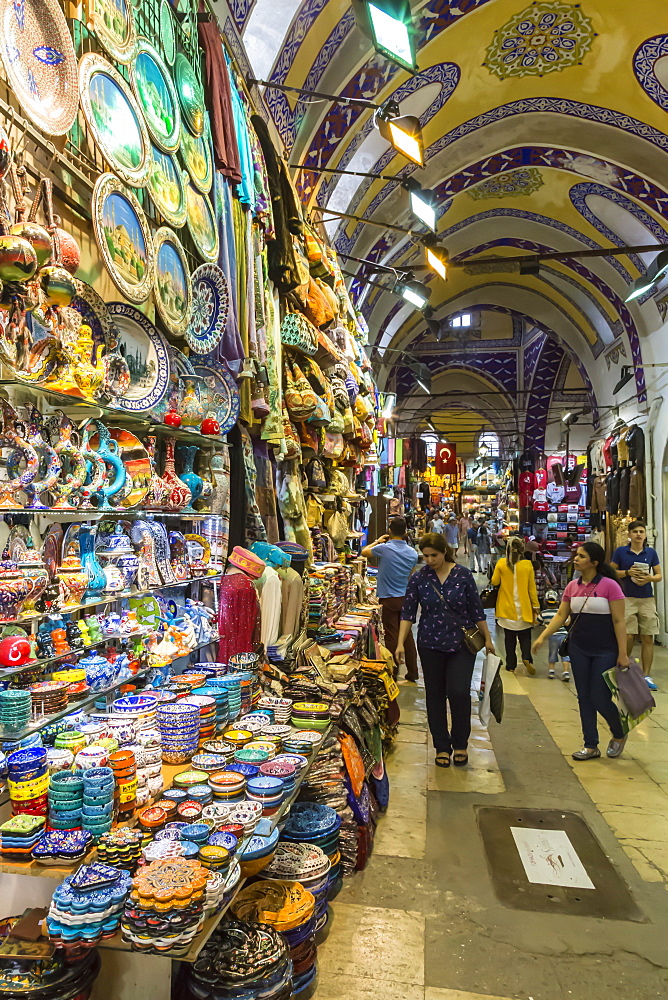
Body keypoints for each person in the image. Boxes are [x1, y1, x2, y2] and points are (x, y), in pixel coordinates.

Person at [395, 532, 495, 768]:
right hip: (430, 643)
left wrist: (488, 639)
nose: (429, 560)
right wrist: (400, 643)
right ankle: (442, 746)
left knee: (459, 692)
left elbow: (476, 610)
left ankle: (460, 742)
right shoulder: (419, 578)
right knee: (435, 695)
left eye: (434, 555)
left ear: (444, 552)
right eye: (426, 556)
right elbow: (408, 613)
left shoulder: (462, 575)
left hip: (461, 643)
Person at [532, 542, 628, 761]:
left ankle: (619, 731)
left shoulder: (610, 586)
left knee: (599, 696)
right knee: (583, 697)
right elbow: (560, 616)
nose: (575, 559)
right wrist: (543, 636)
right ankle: (590, 744)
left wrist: (622, 653)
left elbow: (619, 621)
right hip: (578, 649)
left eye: (581, 556)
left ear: (594, 562)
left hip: (605, 650)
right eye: (576, 555)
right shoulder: (572, 587)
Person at [362, 518, 419, 682]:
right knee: (407, 636)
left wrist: (377, 541)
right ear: (406, 532)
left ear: (389, 530)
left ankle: (392, 672)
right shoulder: (412, 553)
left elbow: (364, 552)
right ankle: (413, 672)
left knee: (391, 636)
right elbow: (411, 575)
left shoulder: (384, 548)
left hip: (388, 598)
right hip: (406, 597)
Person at [611, 521, 662, 690]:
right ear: (629, 535)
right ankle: (625, 669)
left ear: (645, 534)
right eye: (635, 532)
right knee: (628, 635)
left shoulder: (651, 553)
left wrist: (649, 578)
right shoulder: (620, 552)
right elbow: (611, 573)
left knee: (648, 636)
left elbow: (659, 575)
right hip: (626, 598)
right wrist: (627, 573)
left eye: (641, 531)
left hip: (647, 598)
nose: (639, 534)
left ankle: (646, 675)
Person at [492, 536, 540, 675]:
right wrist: (536, 607)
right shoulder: (527, 565)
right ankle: (527, 658)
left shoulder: (501, 563)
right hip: (524, 608)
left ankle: (511, 665)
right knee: (525, 637)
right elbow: (532, 589)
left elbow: (494, 582)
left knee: (509, 638)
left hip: (506, 608)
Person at [538, 589, 570, 681]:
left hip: (552, 636)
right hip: (563, 635)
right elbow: (567, 623)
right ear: (558, 602)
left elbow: (537, 621)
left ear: (545, 601)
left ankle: (551, 671)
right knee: (565, 653)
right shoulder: (561, 613)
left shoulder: (544, 613)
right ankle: (566, 672)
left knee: (552, 653)